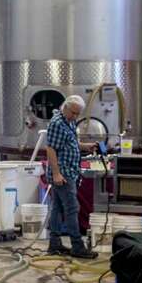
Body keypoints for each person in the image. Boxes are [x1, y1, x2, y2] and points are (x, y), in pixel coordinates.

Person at [44, 95, 99, 259]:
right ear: (65, 108)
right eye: (73, 113)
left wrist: (85, 146)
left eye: (78, 114)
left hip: (70, 171)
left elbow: (71, 143)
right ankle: (77, 246)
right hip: (63, 173)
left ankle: (54, 244)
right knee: (72, 208)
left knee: (57, 208)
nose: (75, 117)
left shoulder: (69, 121)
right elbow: (51, 149)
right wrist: (56, 174)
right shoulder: (57, 124)